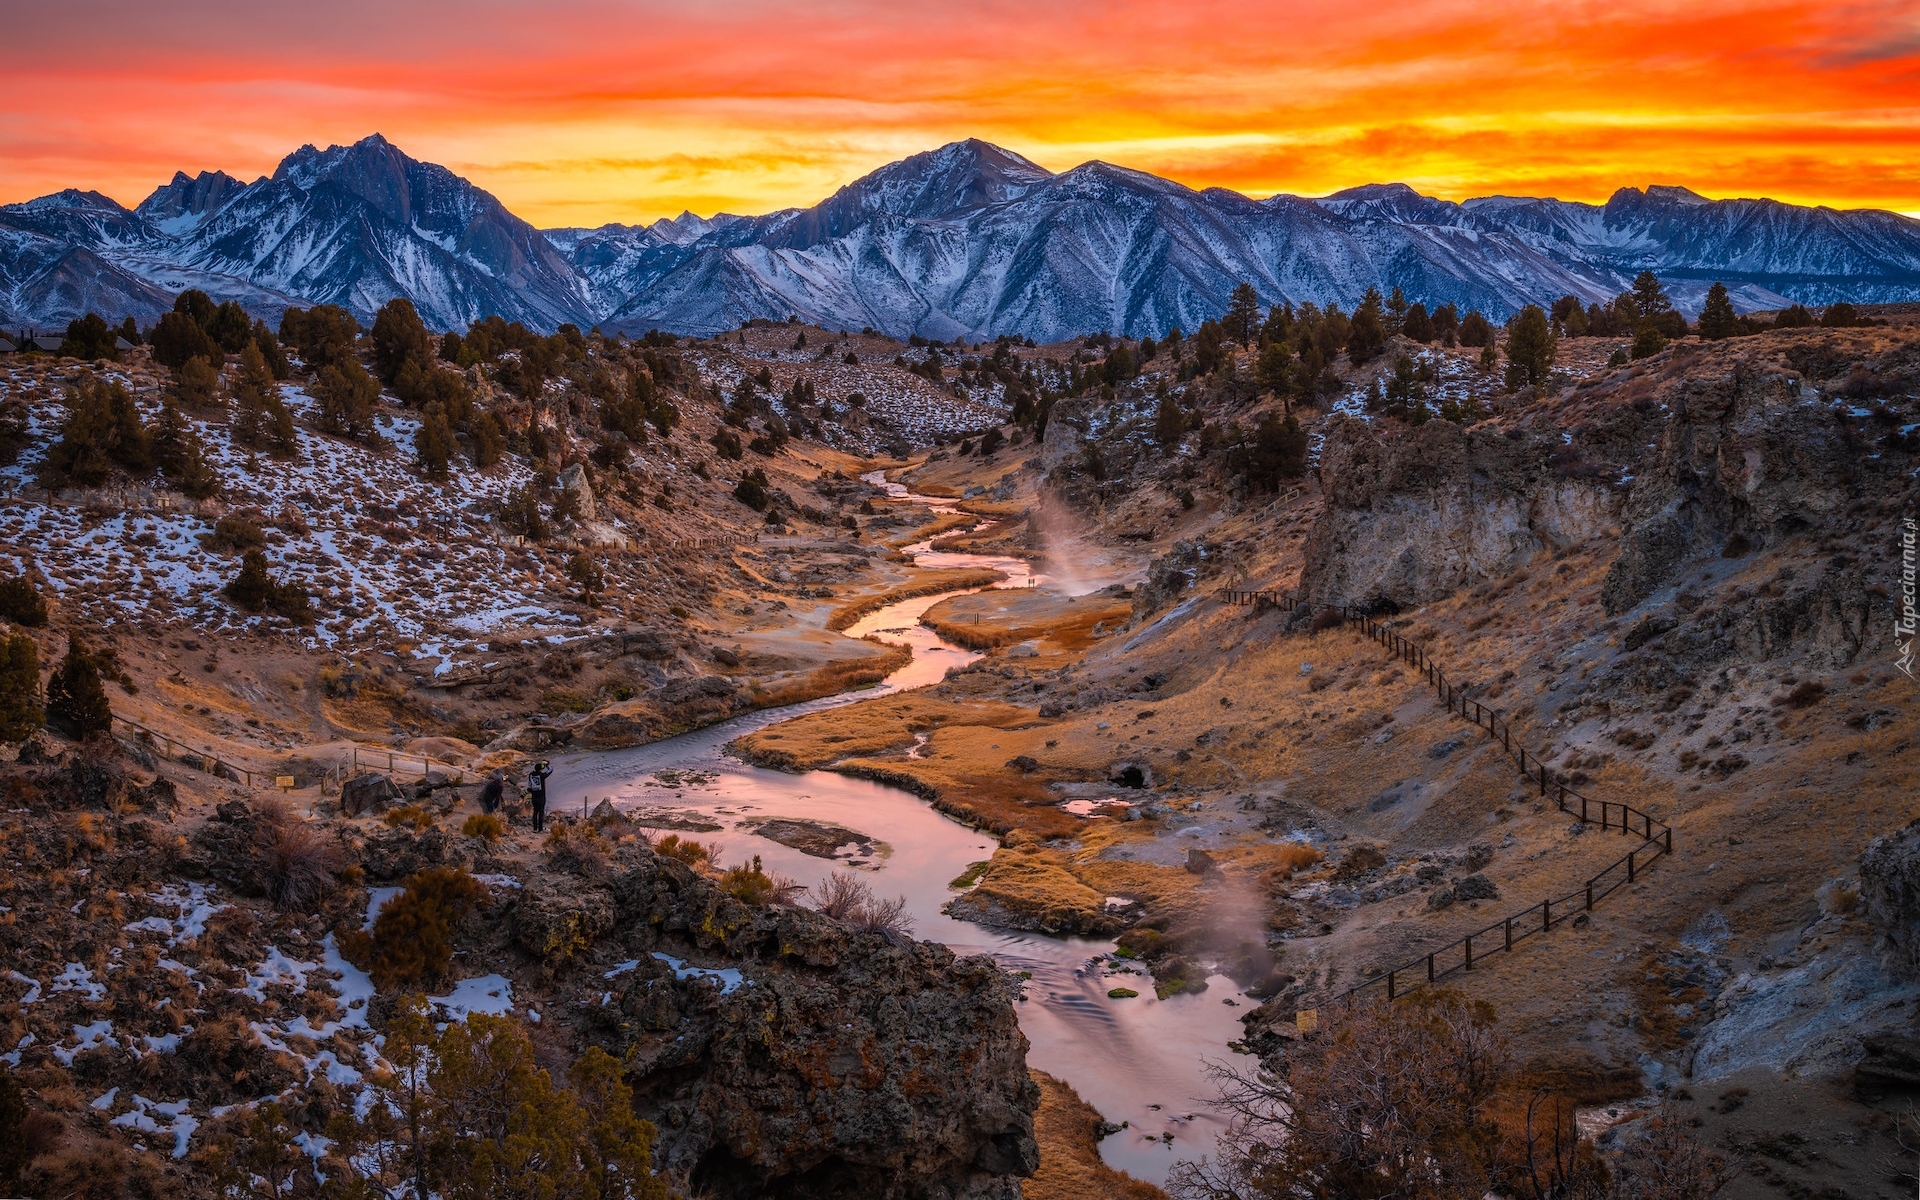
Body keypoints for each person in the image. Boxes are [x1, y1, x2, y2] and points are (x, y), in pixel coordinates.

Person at [527, 760, 552, 832]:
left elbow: (530, 784)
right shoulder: (541, 776)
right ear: (540, 769)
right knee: (541, 812)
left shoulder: (531, 775)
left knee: (535, 812)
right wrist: (547, 765)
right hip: (541, 796)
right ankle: (540, 829)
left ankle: (535, 828)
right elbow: (550, 770)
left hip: (534, 796)